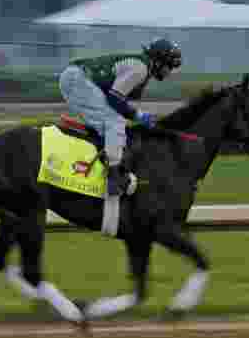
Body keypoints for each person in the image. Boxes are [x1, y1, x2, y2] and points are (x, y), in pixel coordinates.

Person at [58, 39, 183, 234]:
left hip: (77, 77)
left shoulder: (142, 68)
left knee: (111, 121)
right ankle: (114, 177)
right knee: (115, 122)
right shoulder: (140, 68)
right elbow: (115, 98)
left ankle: (102, 154)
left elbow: (115, 99)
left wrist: (135, 114)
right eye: (169, 66)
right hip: (77, 79)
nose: (169, 72)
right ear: (158, 61)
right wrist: (139, 115)